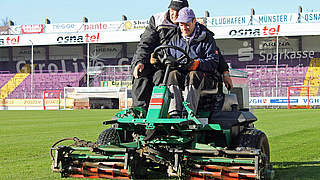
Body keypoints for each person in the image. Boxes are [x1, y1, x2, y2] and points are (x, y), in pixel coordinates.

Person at [130, 0, 190, 110]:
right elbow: (145, 43)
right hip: (156, 61)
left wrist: (224, 71)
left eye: (178, 11)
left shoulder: (189, 24)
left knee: (160, 77)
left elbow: (208, 45)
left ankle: (160, 111)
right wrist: (140, 61)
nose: (175, 14)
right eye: (173, 10)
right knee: (140, 73)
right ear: (169, 8)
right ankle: (139, 110)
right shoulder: (157, 20)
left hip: (175, 65)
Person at [165, 7, 224, 117]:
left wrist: (197, 64)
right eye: (181, 25)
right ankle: (174, 112)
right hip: (182, 75)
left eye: (187, 24)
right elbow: (167, 54)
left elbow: (213, 61)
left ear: (194, 21)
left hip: (205, 77)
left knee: (193, 74)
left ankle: (188, 112)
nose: (184, 28)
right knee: (172, 75)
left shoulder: (206, 38)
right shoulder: (175, 39)